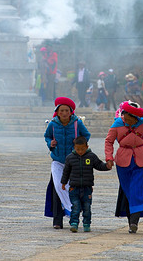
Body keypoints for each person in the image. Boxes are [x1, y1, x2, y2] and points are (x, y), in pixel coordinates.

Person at [105, 101, 143, 234]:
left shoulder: (142, 124)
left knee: (137, 189)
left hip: (142, 159)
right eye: (127, 115)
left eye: (132, 116)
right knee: (128, 191)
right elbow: (109, 141)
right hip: (123, 161)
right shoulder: (117, 124)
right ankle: (131, 222)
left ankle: (134, 222)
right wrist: (109, 157)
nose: (129, 119)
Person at [44, 97, 91, 229]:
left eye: (66, 110)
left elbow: (86, 135)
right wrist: (50, 143)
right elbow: (47, 136)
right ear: (57, 112)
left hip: (73, 161)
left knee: (73, 189)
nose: (64, 113)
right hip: (58, 160)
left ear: (70, 112)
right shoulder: (52, 124)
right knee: (58, 188)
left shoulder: (77, 123)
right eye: (61, 110)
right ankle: (57, 221)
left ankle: (73, 217)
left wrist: (78, 144)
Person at [61, 136, 111, 233]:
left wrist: (107, 166)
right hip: (74, 188)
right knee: (75, 206)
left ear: (87, 146)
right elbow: (66, 172)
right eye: (78, 149)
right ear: (74, 147)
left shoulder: (91, 156)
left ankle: (87, 224)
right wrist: (63, 182)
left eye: (82, 149)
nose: (80, 151)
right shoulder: (70, 158)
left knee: (87, 207)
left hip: (87, 188)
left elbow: (99, 165)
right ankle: (74, 223)